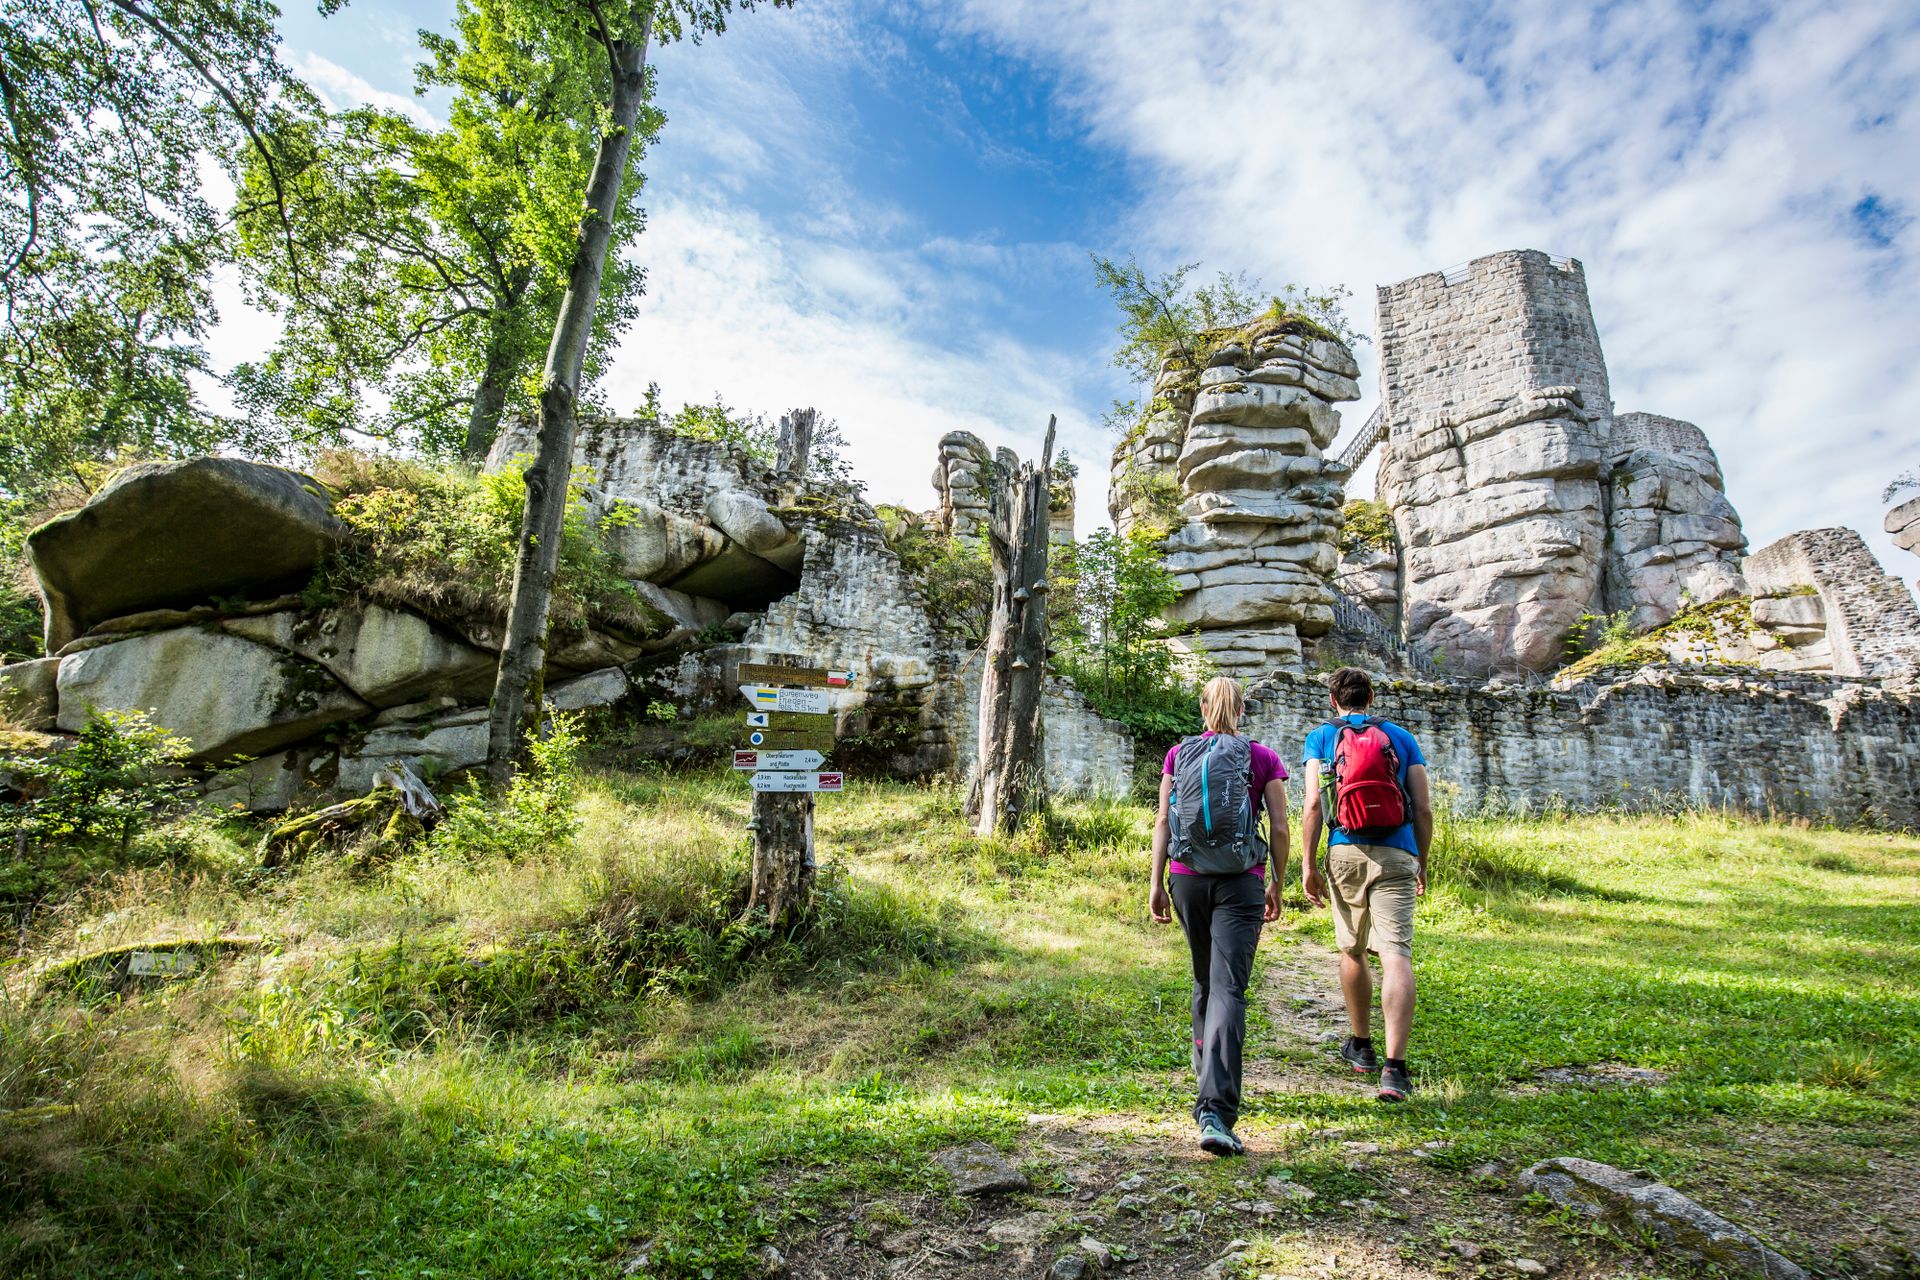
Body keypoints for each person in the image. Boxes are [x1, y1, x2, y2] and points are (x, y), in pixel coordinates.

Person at [1148, 675, 1290, 1156]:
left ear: (1204, 708)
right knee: (1228, 987)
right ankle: (1215, 1110)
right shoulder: (1262, 756)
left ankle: (1203, 1062)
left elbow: (1165, 820)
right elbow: (1280, 824)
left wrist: (1155, 883)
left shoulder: (1178, 753)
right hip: (1240, 879)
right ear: (1242, 710)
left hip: (1186, 877)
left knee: (1204, 981)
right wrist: (1277, 880)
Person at [1300, 667, 1434, 1103]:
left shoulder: (1322, 737)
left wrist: (1307, 864)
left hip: (1345, 851)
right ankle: (1395, 1070)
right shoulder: (1401, 737)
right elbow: (1424, 808)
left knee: (1352, 948)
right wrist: (1421, 860)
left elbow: (1313, 804)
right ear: (1370, 697)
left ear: (1333, 700)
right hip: (1398, 852)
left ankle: (1361, 1046)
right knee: (1396, 955)